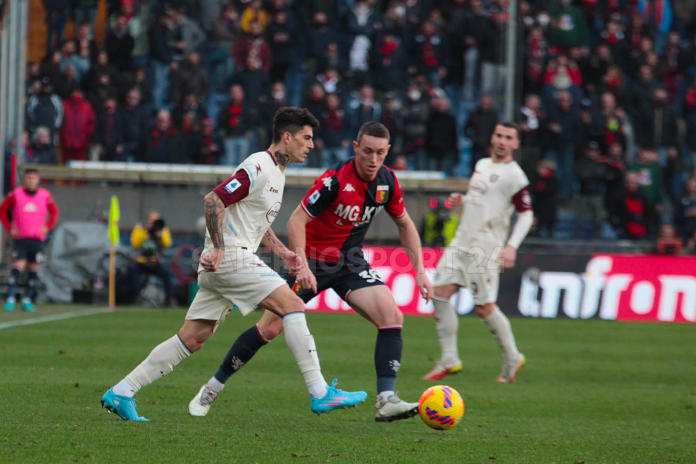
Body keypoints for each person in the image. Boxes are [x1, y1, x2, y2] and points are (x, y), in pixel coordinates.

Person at [101, 108, 367, 422]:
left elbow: (253, 222)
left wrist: (282, 252)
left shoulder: (276, 173)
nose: (311, 145)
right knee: (292, 305)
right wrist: (219, 248)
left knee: (194, 338)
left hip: (226, 263)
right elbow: (214, 200)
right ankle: (320, 392)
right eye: (306, 138)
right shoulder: (258, 165)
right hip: (231, 260)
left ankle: (122, 391)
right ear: (287, 136)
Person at [188, 121, 434, 423]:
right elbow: (296, 220)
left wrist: (420, 271)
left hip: (350, 262)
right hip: (313, 261)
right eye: (367, 151)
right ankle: (213, 387)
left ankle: (386, 400)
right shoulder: (333, 180)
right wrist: (301, 264)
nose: (373, 160)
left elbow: (406, 224)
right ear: (355, 148)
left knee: (392, 317)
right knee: (269, 328)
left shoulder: (387, 182)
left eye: (380, 153)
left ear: (388, 152)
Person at [424, 122, 533, 383]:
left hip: (484, 246)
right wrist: (461, 202)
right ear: (492, 137)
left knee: (484, 308)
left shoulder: (515, 176)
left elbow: (527, 215)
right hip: (461, 240)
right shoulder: (482, 164)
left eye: (508, 137)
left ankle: (512, 357)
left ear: (516, 144)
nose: (502, 141)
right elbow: (480, 202)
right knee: (438, 295)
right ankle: (449, 358)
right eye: (498, 135)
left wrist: (511, 246)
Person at [0, 169, 60, 311]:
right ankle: (11, 299)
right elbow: (2, 211)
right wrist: (10, 228)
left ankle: (27, 299)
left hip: (37, 239)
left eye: (33, 178)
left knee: (34, 270)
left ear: (38, 179)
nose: (31, 180)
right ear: (24, 179)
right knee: (17, 268)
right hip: (21, 238)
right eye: (28, 178)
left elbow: (55, 212)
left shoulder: (45, 195)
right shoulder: (15, 194)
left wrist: (47, 226)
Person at [129, 211, 174, 307]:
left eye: (156, 220)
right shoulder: (140, 227)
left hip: (156, 263)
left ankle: (168, 299)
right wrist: (146, 231)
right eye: (152, 220)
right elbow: (135, 243)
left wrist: (159, 235)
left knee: (167, 273)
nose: (154, 223)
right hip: (141, 262)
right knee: (131, 269)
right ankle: (136, 294)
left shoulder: (162, 229)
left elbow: (168, 244)